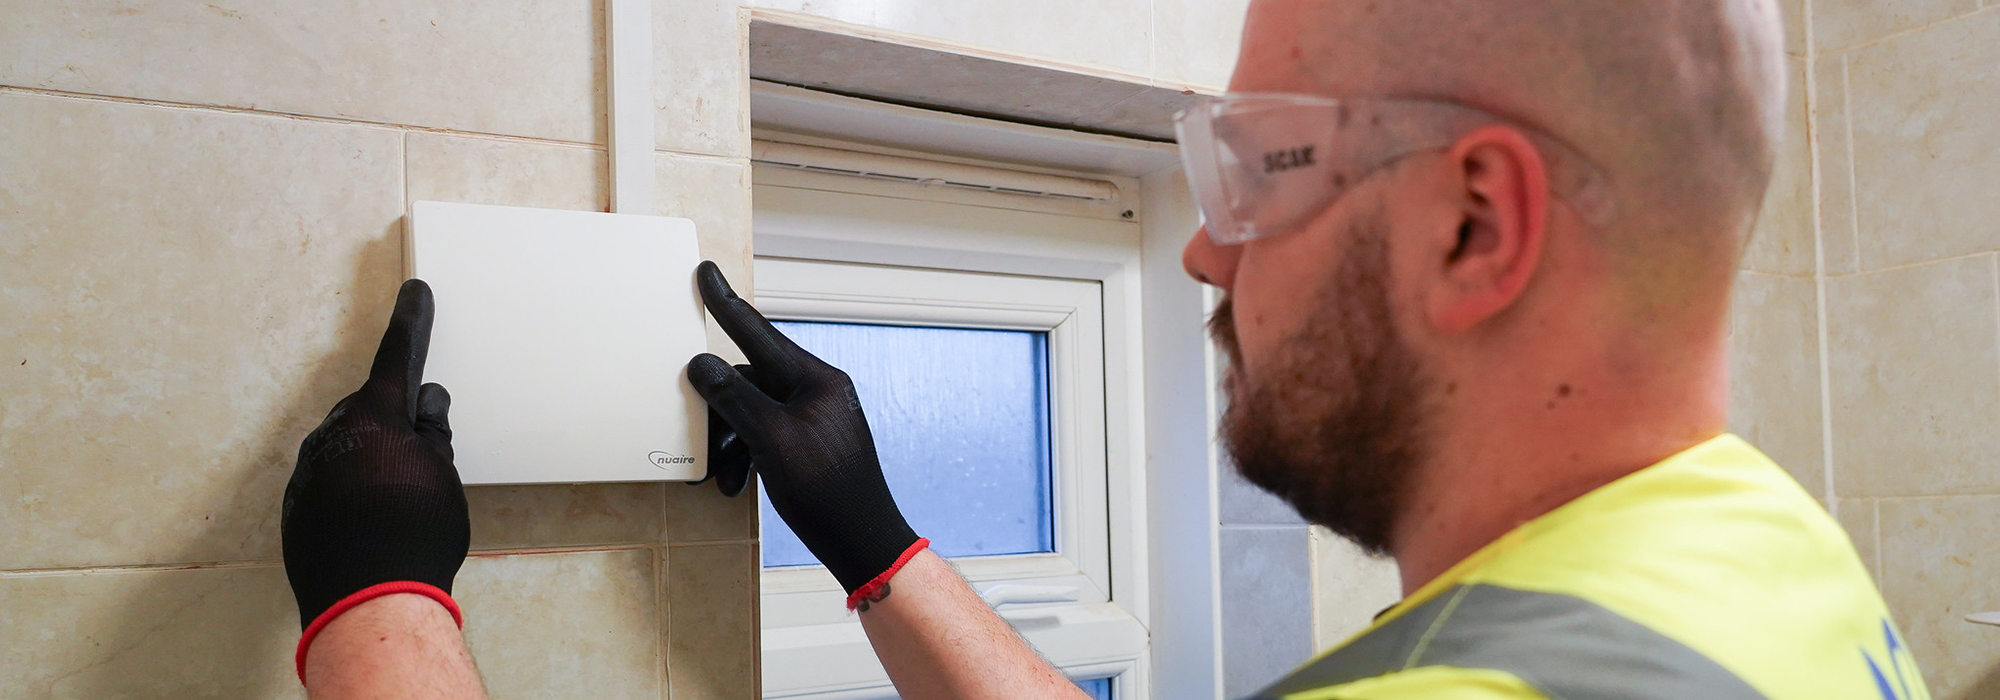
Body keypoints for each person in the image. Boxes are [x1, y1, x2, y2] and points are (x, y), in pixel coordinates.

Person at [281, 1, 1932, 699]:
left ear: (1473, 228)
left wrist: (380, 621)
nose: (1206, 245)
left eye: (1261, 164)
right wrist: (885, 548)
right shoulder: (1762, 553)